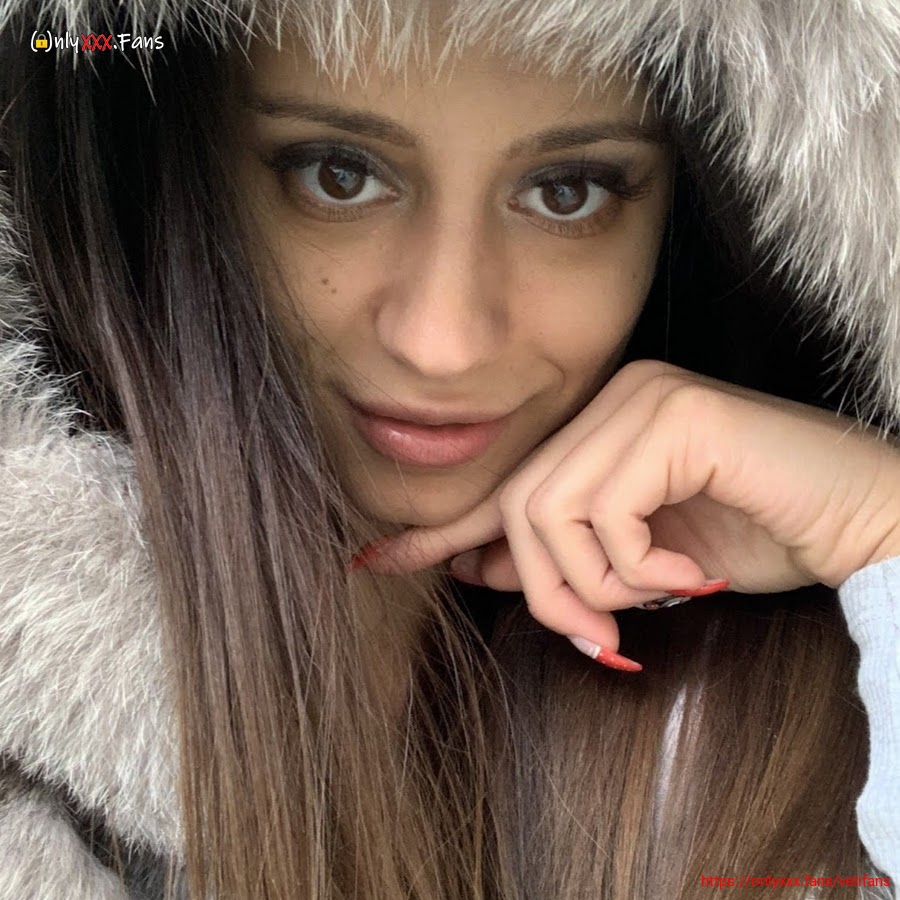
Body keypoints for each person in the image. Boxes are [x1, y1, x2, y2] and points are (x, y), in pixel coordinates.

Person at [0, 2, 898, 899]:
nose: (443, 343)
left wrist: (879, 531)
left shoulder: (826, 691)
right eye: (339, 175)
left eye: (567, 191)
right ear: (164, 166)